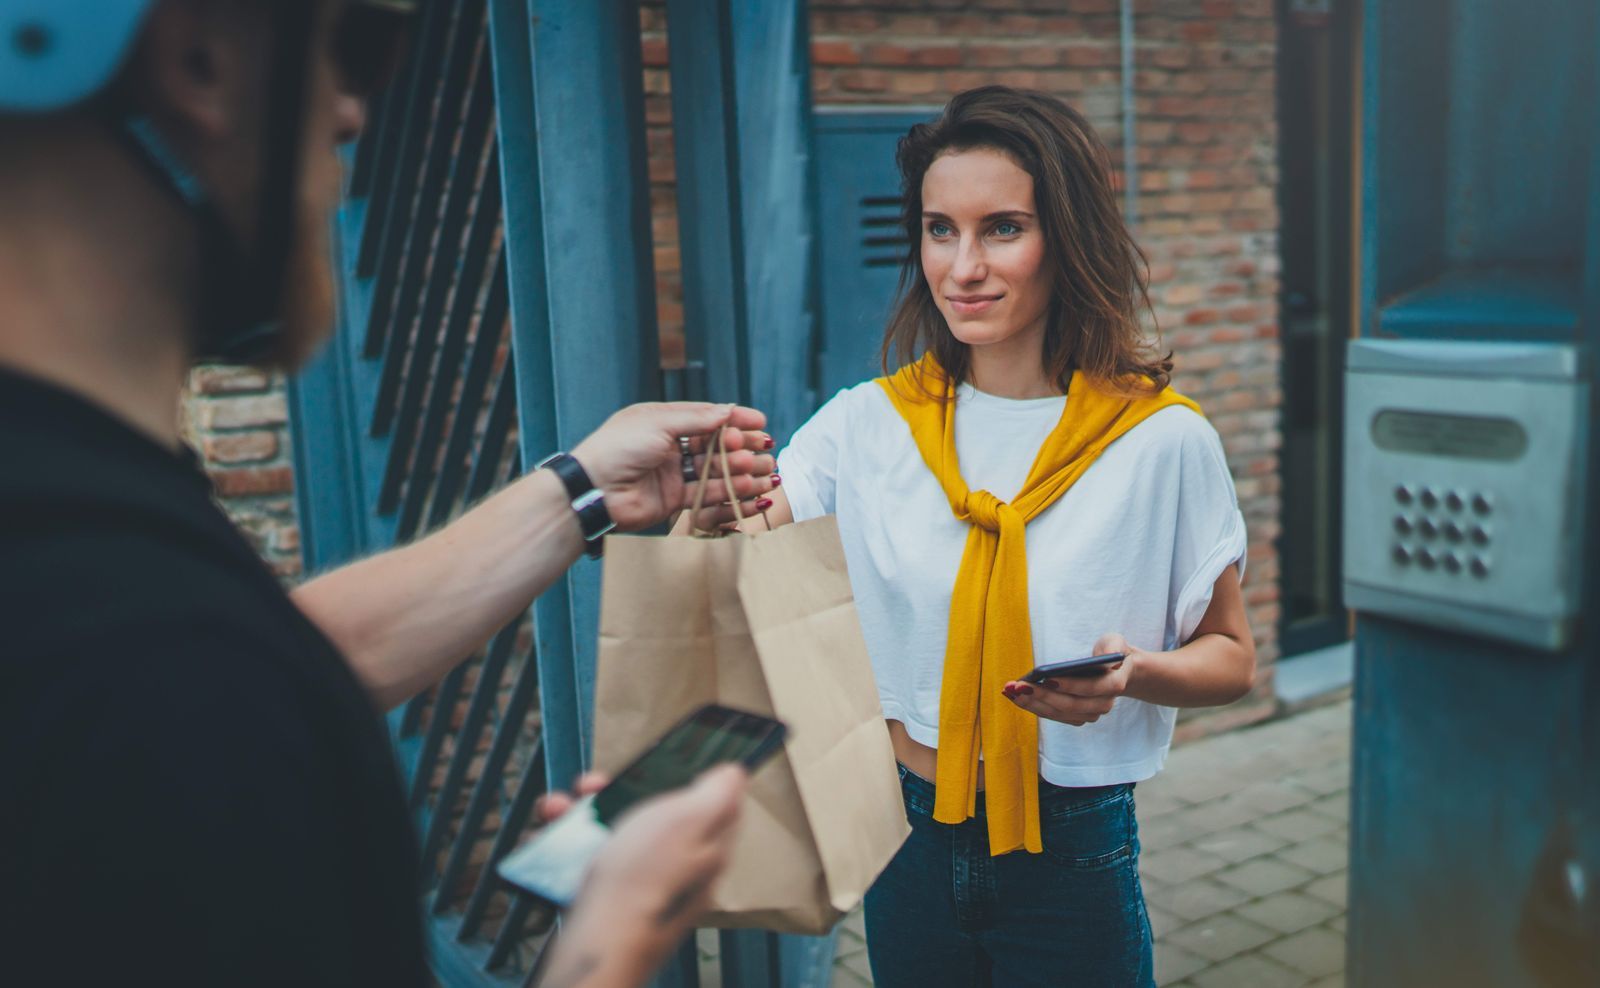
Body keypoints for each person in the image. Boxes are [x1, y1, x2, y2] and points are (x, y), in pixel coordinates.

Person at [0, 1, 778, 985]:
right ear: (197, 59)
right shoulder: (150, 674)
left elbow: (283, 651)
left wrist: (578, 491)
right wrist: (609, 937)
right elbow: (210, 675)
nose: (351, 114)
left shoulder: (82, 555)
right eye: (353, 48)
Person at [685, 86, 1257, 986]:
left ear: (1066, 240)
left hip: (1071, 848)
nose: (962, 267)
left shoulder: (1160, 440)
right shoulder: (870, 425)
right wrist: (698, 494)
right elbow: (739, 536)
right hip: (909, 837)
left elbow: (1232, 655)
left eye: (1001, 229)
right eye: (939, 229)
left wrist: (1137, 674)